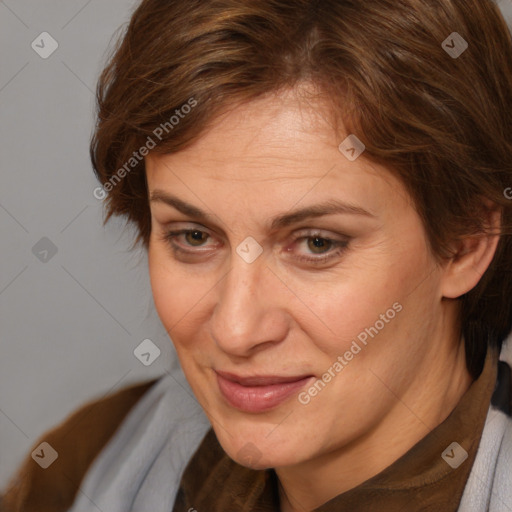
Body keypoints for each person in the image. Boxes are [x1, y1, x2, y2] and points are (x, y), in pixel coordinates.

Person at [2, 0, 512, 510]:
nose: (236, 330)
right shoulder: (85, 466)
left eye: (317, 244)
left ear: (464, 244)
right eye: (193, 236)